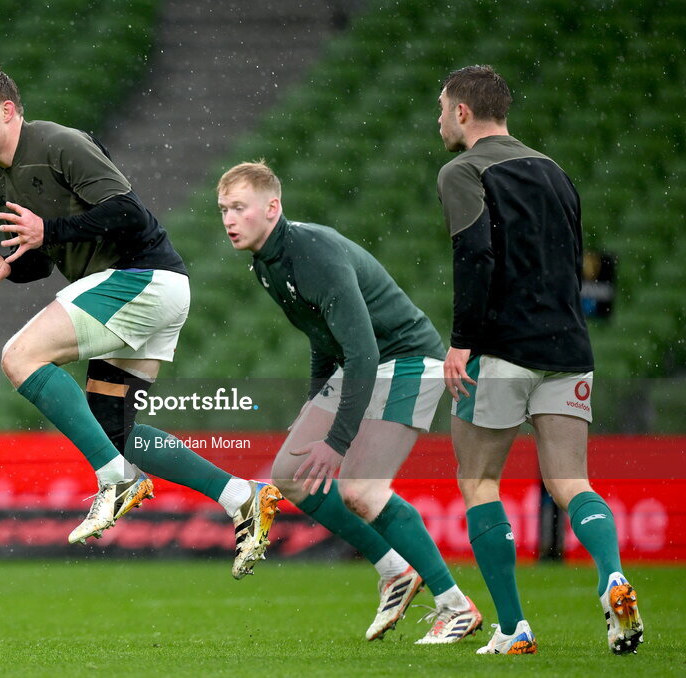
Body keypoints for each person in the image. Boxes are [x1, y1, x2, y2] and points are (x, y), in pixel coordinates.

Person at [0, 63, 282, 579]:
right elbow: (39, 256)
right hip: (131, 294)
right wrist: (6, 264)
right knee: (118, 435)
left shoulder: (58, 143)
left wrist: (50, 228)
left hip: (143, 278)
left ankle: (116, 481)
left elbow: (128, 212)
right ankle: (241, 496)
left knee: (19, 356)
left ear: (8, 112)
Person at [216, 161, 482, 643]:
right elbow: (324, 338)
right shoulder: (265, 263)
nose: (229, 220)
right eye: (223, 210)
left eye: (239, 208)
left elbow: (364, 351)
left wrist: (336, 441)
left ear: (272, 208)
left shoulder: (311, 252)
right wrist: (315, 401)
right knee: (289, 476)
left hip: (405, 359)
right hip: (359, 362)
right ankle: (396, 572)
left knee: (361, 491)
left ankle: (455, 605)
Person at [436, 65, 644, 655]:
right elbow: (572, 260)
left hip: (503, 347)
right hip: (569, 347)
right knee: (569, 480)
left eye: (441, 108)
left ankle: (512, 628)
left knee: (478, 480)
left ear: (461, 112)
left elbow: (474, 257)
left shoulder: (463, 170)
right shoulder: (555, 171)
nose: (439, 120)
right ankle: (613, 576)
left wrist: (461, 343)